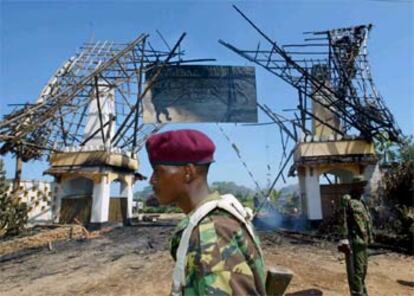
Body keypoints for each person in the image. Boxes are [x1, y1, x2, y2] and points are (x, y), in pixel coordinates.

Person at [146, 129, 266, 296]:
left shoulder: (210, 234)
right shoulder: (223, 215)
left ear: (188, 172)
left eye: (158, 171)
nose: (151, 180)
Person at [338, 175, 374, 296]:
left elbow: (366, 222)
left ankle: (362, 292)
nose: (363, 188)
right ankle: (357, 293)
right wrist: (344, 239)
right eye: (361, 185)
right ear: (355, 186)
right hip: (354, 241)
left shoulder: (361, 202)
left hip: (363, 242)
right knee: (355, 272)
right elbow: (342, 219)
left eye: (364, 185)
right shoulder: (347, 199)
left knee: (363, 270)